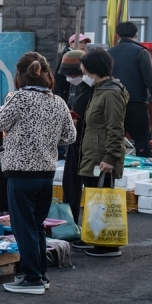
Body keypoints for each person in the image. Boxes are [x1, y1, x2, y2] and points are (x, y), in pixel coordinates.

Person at [0, 52, 76, 295]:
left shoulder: (17, 98)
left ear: (20, 74)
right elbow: (70, 136)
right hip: (47, 173)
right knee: (37, 225)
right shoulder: (58, 101)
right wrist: (47, 137)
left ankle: (32, 278)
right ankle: (41, 274)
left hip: (20, 174)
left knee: (23, 227)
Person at [75, 48, 129, 258]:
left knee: (102, 198)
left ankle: (107, 244)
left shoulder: (110, 93)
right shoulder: (100, 89)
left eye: (85, 70)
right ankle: (92, 235)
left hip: (101, 156)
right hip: (93, 152)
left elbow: (116, 128)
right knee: (93, 196)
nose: (84, 74)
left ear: (93, 69)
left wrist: (110, 158)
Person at [107, 21, 152, 158]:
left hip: (113, 103)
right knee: (141, 140)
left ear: (117, 35)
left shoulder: (109, 53)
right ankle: (142, 170)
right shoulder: (141, 52)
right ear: (136, 34)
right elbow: (150, 81)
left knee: (113, 140)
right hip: (135, 102)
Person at [57, 49, 93, 225]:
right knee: (70, 185)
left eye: (72, 74)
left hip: (88, 144)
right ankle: (70, 224)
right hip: (73, 142)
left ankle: (90, 228)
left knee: (91, 187)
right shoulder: (74, 85)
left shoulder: (93, 88)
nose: (69, 78)